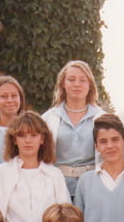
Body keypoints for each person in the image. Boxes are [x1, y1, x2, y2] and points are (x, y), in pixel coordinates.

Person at [42, 60, 106, 196]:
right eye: (71, 80)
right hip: (57, 186)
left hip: (93, 186)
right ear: (63, 84)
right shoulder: (48, 119)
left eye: (83, 80)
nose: (77, 84)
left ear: (90, 85)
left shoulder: (102, 118)